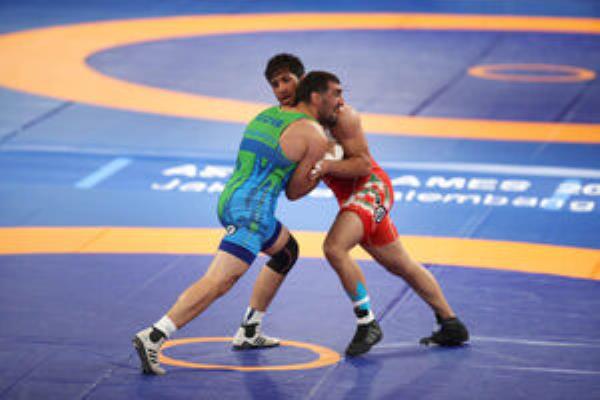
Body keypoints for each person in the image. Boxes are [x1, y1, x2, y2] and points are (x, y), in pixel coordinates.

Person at [232, 53, 469, 357]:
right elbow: (294, 191)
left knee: (334, 247)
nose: (281, 89)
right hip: (351, 198)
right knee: (400, 264)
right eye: (275, 84)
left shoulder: (341, 116)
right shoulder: (290, 122)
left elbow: (363, 165)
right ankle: (451, 323)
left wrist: (327, 165)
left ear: (304, 82)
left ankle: (367, 323)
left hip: (372, 189)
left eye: (286, 80)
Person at [132, 70, 345, 375]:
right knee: (219, 281)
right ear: (315, 97)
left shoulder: (269, 115)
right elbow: (295, 192)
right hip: (252, 213)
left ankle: (249, 330)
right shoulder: (313, 134)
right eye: (336, 94)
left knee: (287, 252)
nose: (341, 101)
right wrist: (326, 166)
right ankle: (154, 335)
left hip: (232, 199)